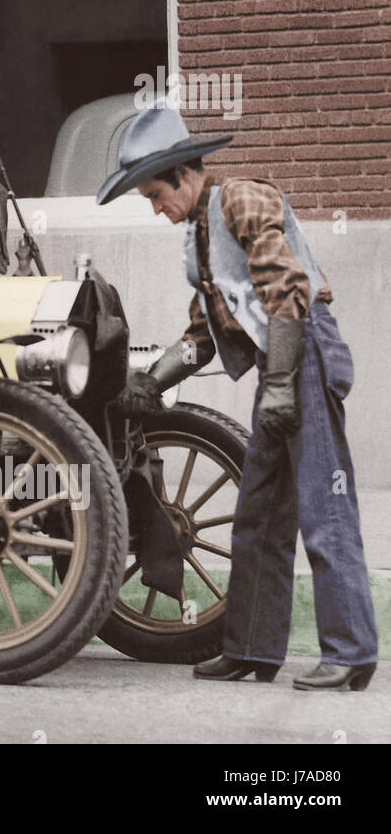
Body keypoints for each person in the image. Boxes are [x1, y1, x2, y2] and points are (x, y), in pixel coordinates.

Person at [97, 104, 378, 691]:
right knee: (256, 516)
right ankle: (253, 648)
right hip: (280, 366)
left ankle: (350, 652)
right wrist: (149, 381)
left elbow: (288, 289)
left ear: (183, 175)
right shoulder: (196, 241)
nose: (155, 208)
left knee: (323, 509)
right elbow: (203, 336)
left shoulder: (241, 198)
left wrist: (278, 384)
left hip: (304, 352)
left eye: (154, 194)